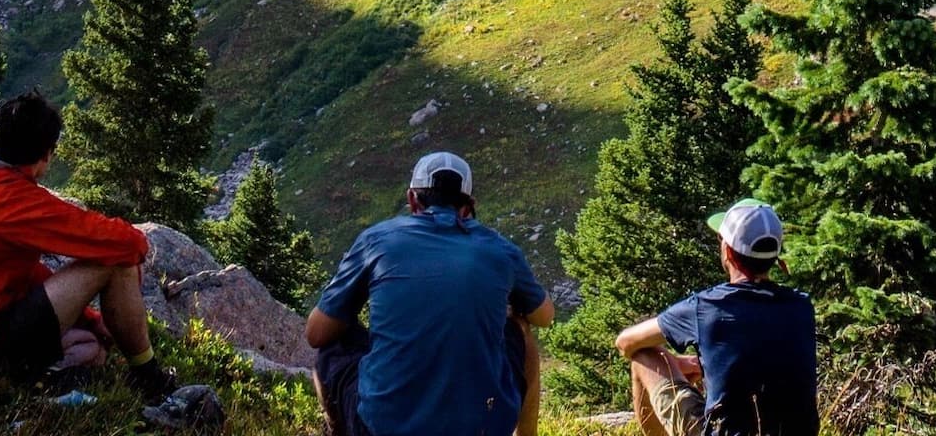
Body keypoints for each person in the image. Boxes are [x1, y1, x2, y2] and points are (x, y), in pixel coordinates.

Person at [0, 92, 179, 404]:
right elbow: (128, 242)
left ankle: (46, 376)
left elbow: (14, 274)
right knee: (115, 260)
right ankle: (149, 378)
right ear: (47, 153)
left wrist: (89, 319)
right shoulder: (14, 200)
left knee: (89, 347)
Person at [305, 151, 556, 436]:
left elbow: (316, 333)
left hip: (381, 428)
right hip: (482, 428)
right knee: (521, 330)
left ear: (412, 199)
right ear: (468, 207)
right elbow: (545, 316)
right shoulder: (501, 250)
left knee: (333, 342)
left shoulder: (376, 240)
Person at [615, 198, 818, 436]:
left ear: (728, 252)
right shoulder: (802, 306)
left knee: (643, 355)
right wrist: (707, 363)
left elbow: (625, 342)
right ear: (775, 256)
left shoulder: (707, 307)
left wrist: (676, 363)